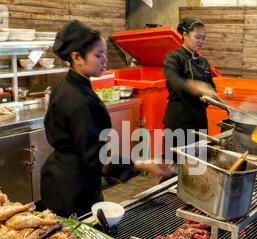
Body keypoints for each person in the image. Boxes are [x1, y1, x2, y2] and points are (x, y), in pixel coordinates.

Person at [41, 20, 172, 217]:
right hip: (72, 188)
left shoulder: (68, 85)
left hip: (63, 178)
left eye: (105, 54)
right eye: (98, 55)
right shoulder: (78, 100)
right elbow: (96, 157)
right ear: (77, 57)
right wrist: (141, 164)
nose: (105, 61)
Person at [162, 16, 220, 157]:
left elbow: (211, 87)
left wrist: (209, 95)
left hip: (199, 120)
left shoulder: (203, 62)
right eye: (197, 37)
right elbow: (175, 82)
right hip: (179, 121)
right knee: (176, 166)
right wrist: (197, 87)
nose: (201, 41)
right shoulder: (173, 58)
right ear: (185, 35)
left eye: (203, 38)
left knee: (197, 164)